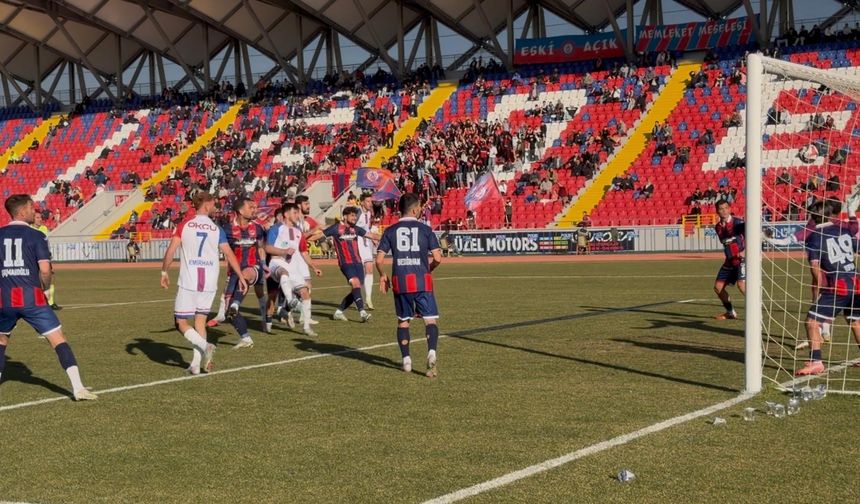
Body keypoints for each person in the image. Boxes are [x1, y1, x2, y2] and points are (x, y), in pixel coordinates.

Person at [0, 194, 96, 400]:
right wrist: (46, 289)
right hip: (31, 298)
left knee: (1, 340)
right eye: (31, 207)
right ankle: (78, 388)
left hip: (4, 299)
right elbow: (45, 270)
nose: (35, 211)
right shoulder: (36, 235)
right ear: (22, 211)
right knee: (57, 339)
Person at [160, 192, 247, 375]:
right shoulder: (217, 229)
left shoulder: (184, 225)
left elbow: (171, 250)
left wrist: (164, 271)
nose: (215, 208)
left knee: (180, 322)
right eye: (214, 204)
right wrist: (240, 276)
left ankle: (205, 345)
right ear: (206, 205)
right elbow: (229, 254)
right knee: (200, 321)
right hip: (209, 281)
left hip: (190, 280)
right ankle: (195, 365)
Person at [375, 193, 444, 376]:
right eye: (420, 207)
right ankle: (431, 353)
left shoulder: (390, 231)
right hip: (422, 280)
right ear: (415, 210)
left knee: (403, 321)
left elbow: (379, 259)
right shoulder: (426, 230)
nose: (421, 210)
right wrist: (427, 269)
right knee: (430, 319)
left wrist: (383, 275)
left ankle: (406, 360)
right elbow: (438, 258)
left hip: (400, 280)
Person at [795, 199, 860, 376]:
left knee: (811, 321)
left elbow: (815, 268)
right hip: (856, 281)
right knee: (854, 320)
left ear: (814, 217)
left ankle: (816, 362)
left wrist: (821, 288)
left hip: (837, 285)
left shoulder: (815, 237)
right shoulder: (844, 230)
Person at [266, 203, 323, 337]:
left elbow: (303, 252)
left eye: (298, 213)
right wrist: (283, 251)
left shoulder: (298, 232)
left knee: (305, 293)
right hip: (276, 262)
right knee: (282, 274)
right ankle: (290, 300)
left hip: (292, 267)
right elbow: (268, 248)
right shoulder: (276, 228)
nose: (298, 216)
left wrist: (314, 267)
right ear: (286, 214)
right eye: (295, 213)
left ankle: (306, 327)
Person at [222, 197, 267, 348]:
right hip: (234, 273)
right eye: (251, 207)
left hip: (253, 268)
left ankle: (236, 303)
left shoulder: (258, 228)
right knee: (228, 311)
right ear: (241, 211)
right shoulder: (227, 229)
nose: (255, 209)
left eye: (255, 207)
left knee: (247, 274)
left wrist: (264, 264)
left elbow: (261, 247)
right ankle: (245, 337)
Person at [324, 206, 380, 322]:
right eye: (352, 215)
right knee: (355, 283)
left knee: (357, 288)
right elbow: (320, 235)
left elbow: (372, 236)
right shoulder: (336, 228)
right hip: (346, 263)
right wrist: (303, 238)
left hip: (358, 263)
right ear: (345, 216)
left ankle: (339, 312)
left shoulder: (356, 229)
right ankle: (362, 313)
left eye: (355, 215)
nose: (355, 218)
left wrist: (389, 237)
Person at [713, 200, 745, 319]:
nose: (724, 210)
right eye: (721, 209)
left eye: (726, 208)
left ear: (730, 209)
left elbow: (752, 237)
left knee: (742, 285)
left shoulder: (739, 223)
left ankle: (756, 310)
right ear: (717, 211)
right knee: (718, 288)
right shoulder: (718, 227)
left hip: (742, 260)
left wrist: (744, 252)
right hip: (730, 261)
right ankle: (731, 312)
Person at [31, 212, 60, 310]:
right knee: (36, 282)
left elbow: (46, 242)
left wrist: (48, 252)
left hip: (44, 257)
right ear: (33, 218)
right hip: (33, 259)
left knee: (50, 280)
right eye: (37, 217)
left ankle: (51, 303)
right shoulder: (29, 229)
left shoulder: (44, 228)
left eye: (40, 217)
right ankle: (37, 302)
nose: (40, 219)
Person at [356, 193, 378, 310]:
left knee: (369, 268)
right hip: (357, 243)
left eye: (371, 201)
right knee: (359, 273)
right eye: (368, 201)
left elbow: (366, 228)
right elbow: (352, 227)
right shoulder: (357, 212)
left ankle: (368, 299)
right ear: (362, 202)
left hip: (365, 243)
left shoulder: (369, 213)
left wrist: (371, 238)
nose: (370, 203)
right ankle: (357, 297)